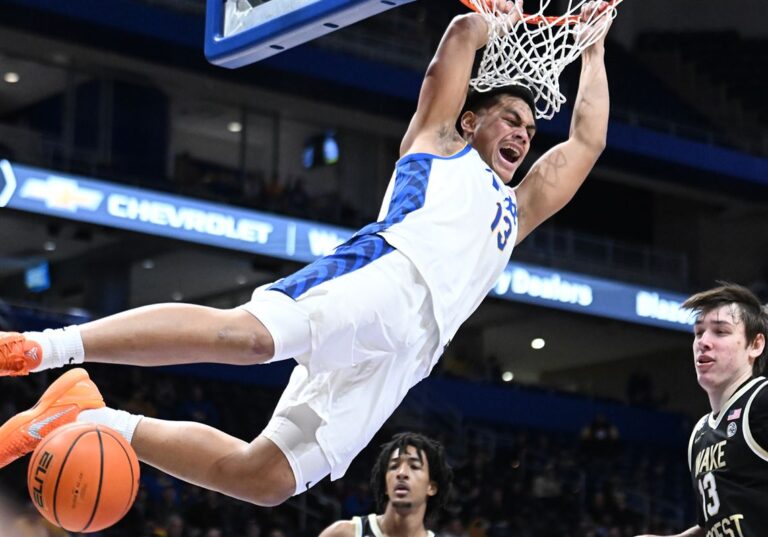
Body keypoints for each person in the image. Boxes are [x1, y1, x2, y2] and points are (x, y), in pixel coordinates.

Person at [0, 0, 612, 507]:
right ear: (471, 120)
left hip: (416, 350)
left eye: (530, 132)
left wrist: (594, 49)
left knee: (263, 479)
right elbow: (451, 48)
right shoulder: (438, 144)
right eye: (510, 119)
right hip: (387, 274)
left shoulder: (516, 209)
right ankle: (46, 348)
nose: (522, 135)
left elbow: (587, 141)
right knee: (250, 339)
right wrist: (489, 22)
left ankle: (90, 417)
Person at [636, 283, 768, 537]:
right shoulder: (700, 434)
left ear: (755, 345)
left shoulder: (761, 401)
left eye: (720, 331)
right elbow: (713, 527)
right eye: (698, 333)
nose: (703, 342)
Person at [319, 432, 452, 537]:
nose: (401, 473)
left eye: (414, 466)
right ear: (386, 485)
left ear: (431, 487)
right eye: (394, 466)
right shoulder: (343, 534)